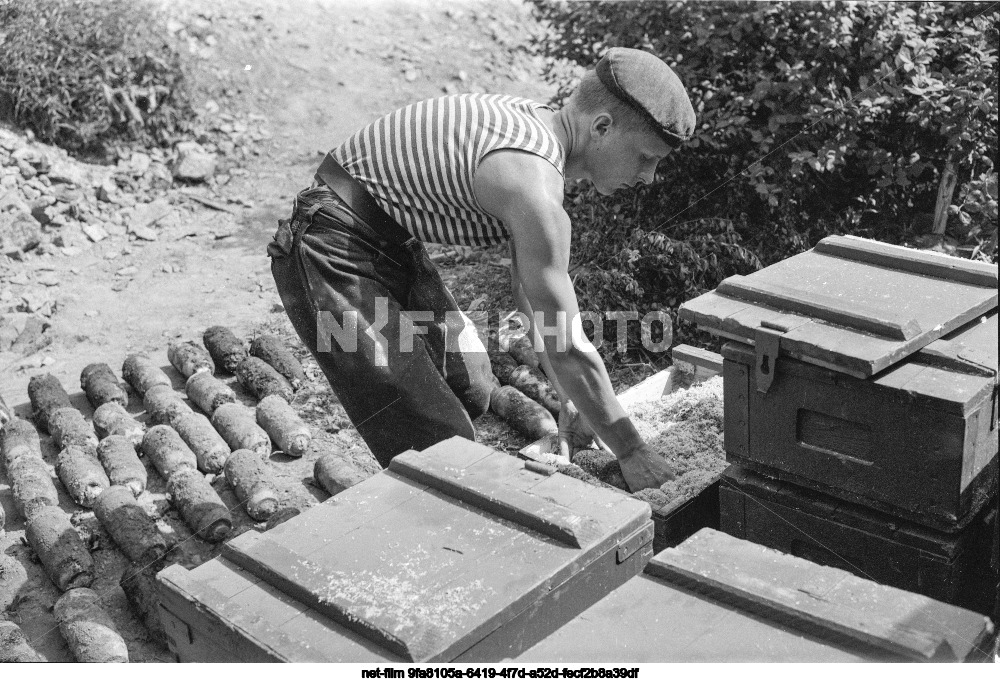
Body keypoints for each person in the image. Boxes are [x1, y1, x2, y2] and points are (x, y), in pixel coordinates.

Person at [267, 47, 695, 492]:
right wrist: (631, 450)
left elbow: (534, 300)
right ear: (602, 127)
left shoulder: (541, 140)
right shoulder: (531, 183)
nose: (649, 177)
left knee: (471, 384)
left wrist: (573, 400)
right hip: (327, 251)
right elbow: (566, 342)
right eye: (646, 157)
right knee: (440, 447)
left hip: (385, 241)